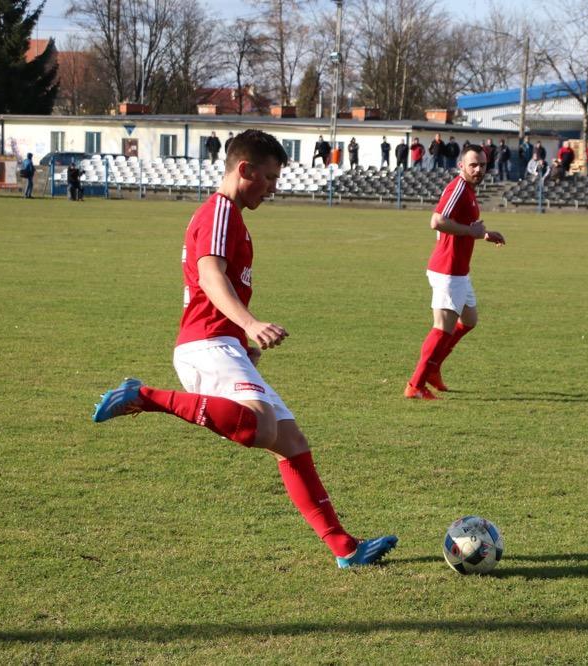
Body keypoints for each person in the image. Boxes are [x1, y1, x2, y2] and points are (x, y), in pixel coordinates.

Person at [92, 129, 397, 569]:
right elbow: (211, 275)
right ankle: (144, 396)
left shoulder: (233, 217)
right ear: (245, 170)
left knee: (291, 442)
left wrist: (243, 341)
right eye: (269, 178)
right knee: (259, 426)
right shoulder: (220, 212)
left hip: (223, 343)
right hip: (204, 343)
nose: (273, 187)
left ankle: (345, 548)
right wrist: (249, 325)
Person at [405, 144, 505, 400]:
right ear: (461, 165)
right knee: (442, 328)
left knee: (469, 320)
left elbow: (462, 225)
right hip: (447, 270)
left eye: (482, 165)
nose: (478, 169)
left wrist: (483, 234)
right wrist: (471, 232)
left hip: (460, 271)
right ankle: (415, 384)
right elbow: (436, 221)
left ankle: (434, 369)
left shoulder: (469, 190)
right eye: (473, 164)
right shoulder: (458, 188)